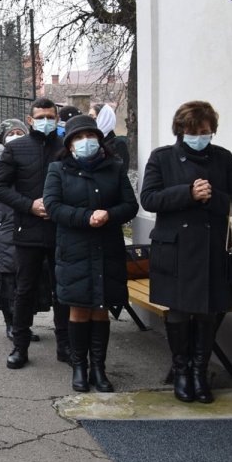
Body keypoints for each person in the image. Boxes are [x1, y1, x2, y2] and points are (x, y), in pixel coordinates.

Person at [140, 100, 232, 404]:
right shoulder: (162, 157)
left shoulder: (223, 158)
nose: (199, 137)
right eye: (193, 131)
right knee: (178, 311)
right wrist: (188, 193)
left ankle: (200, 372)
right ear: (180, 130)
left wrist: (212, 197)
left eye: (205, 132)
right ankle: (181, 372)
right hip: (176, 249)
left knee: (208, 310)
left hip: (212, 248)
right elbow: (149, 199)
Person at [44, 114, 138, 393]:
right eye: (79, 137)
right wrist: (86, 217)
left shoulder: (114, 167)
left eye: (90, 136)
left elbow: (130, 205)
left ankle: (99, 367)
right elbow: (53, 206)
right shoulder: (58, 169)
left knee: (101, 309)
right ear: (70, 144)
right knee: (79, 308)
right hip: (74, 249)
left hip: (107, 247)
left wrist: (108, 215)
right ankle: (79, 367)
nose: (86, 141)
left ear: (99, 139)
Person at [0, 97, 69, 370]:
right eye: (41, 117)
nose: (46, 121)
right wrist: (29, 205)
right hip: (28, 229)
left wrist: (60, 207)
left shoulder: (66, 147)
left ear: (57, 119)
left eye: (50, 117)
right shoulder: (17, 148)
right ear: (31, 120)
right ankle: (19, 346)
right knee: (24, 290)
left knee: (62, 290)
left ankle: (65, 345)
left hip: (61, 229)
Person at [0, 120, 49, 341]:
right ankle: (11, 323)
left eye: (19, 132)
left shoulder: (35, 157)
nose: (15, 135)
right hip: (8, 224)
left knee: (30, 276)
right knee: (9, 274)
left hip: (33, 222)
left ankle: (24, 324)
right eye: (10, 133)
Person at [92, 103, 130, 173]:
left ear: (104, 120)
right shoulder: (89, 142)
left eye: (94, 118)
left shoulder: (118, 144)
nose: (89, 122)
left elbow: (121, 172)